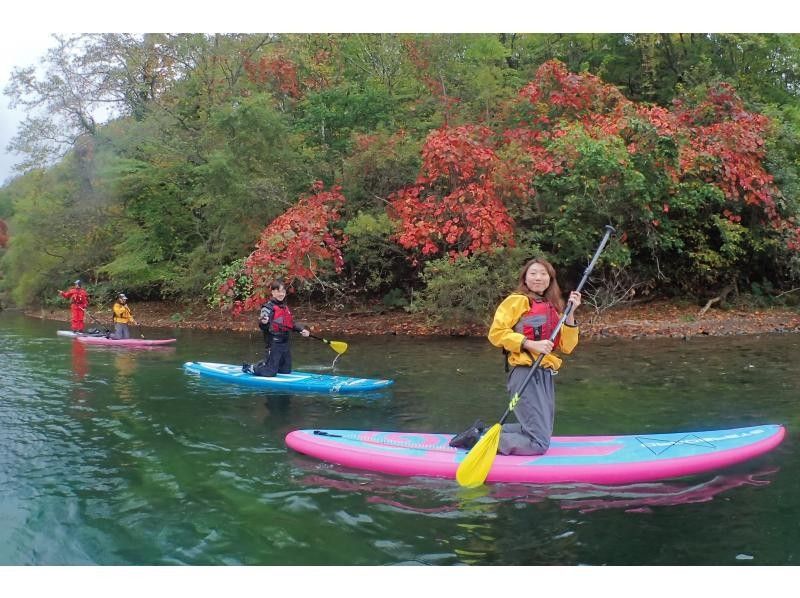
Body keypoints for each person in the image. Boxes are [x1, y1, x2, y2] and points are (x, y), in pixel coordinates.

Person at [452, 258, 581, 455]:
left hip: (544, 374)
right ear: (525, 279)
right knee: (539, 443)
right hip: (524, 373)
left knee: (541, 432)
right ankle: (480, 442)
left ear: (550, 279)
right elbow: (496, 333)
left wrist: (570, 313)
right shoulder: (517, 301)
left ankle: (480, 432)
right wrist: (530, 343)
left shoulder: (552, 307)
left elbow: (567, 346)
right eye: (533, 273)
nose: (538, 278)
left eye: (543, 274)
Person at [243, 279, 310, 377]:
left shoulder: (285, 307)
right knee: (270, 372)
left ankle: (267, 363)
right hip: (273, 343)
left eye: (283, 291)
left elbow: (291, 324)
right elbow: (263, 325)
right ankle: (251, 368)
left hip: (285, 343)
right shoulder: (267, 307)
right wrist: (264, 322)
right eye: (278, 291)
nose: (281, 294)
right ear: (273, 292)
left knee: (285, 371)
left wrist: (302, 329)